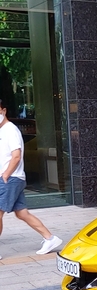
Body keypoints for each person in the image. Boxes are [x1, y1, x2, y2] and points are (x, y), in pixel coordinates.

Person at [0, 99, 62, 259]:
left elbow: (16, 155)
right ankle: (50, 238)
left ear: (4, 110)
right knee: (22, 213)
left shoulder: (10, 130)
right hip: (14, 178)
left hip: (10, 178)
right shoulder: (2, 131)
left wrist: (5, 175)